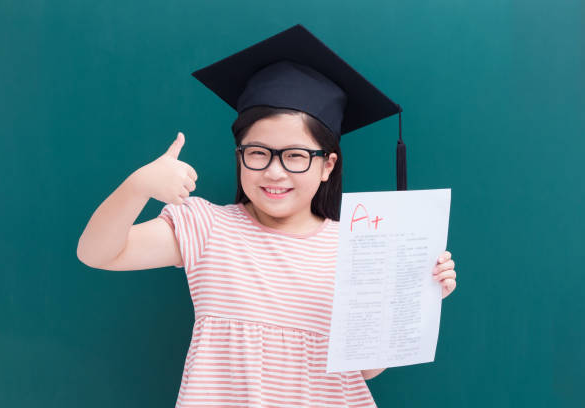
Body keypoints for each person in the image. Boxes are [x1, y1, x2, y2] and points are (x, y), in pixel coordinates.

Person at [77, 24, 458, 408]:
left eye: (295, 156)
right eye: (258, 152)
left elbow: (363, 370)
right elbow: (99, 253)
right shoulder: (206, 227)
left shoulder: (355, 247)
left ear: (327, 165)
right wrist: (137, 185)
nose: (274, 172)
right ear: (239, 154)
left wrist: (414, 297)